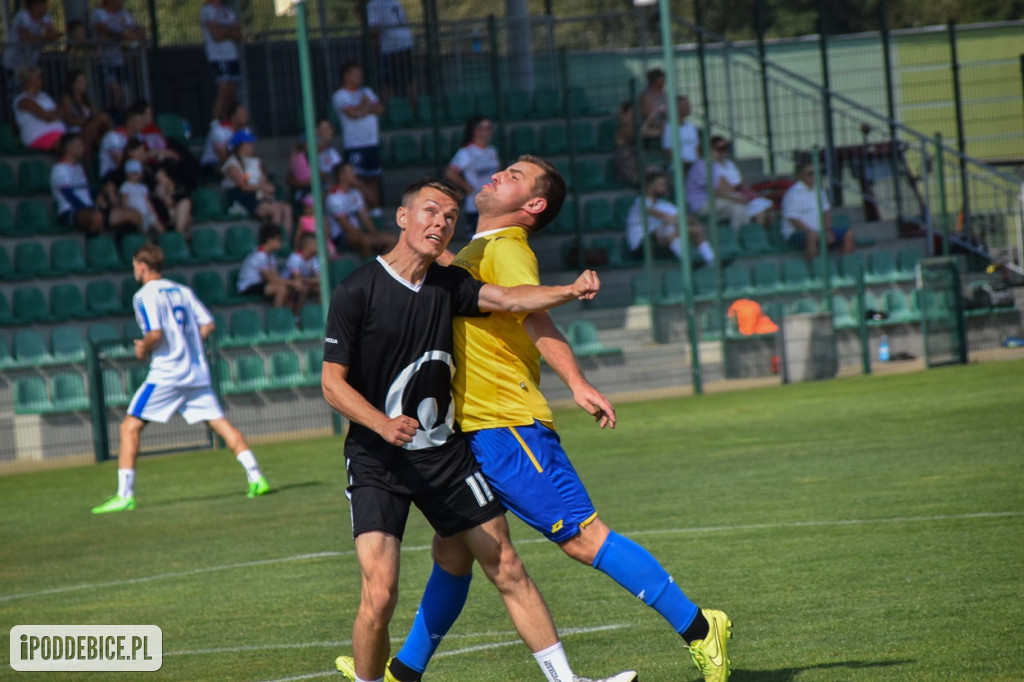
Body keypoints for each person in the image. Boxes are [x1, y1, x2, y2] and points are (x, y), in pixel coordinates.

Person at [386, 156, 731, 682]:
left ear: (533, 206)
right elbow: (512, 304)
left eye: (515, 175)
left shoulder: (508, 248)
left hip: (507, 427)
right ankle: (401, 673)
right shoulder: (481, 249)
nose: (499, 173)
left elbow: (531, 307)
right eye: (503, 167)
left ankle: (701, 628)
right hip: (468, 433)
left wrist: (576, 377)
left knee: (582, 538)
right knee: (452, 550)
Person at [323, 177, 634, 682]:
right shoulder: (357, 289)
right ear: (403, 218)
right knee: (380, 594)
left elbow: (512, 299)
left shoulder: (450, 287)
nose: (440, 223)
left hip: (443, 456)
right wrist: (381, 424)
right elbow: (331, 384)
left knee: (506, 564)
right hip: (378, 461)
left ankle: (566, 681)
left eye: (449, 217)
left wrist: (569, 290)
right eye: (429, 211)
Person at [92, 243, 270, 514]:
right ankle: (256, 476)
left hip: (168, 372)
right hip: (195, 372)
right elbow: (208, 323)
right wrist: (189, 344)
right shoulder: (183, 291)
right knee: (220, 424)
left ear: (141, 265)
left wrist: (141, 348)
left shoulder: (143, 295)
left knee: (129, 427)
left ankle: (124, 495)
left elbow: (155, 334)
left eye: (134, 267)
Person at [51, 131, 140, 236]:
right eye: (79, 145)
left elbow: (86, 190)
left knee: (134, 215)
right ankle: (95, 246)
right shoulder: (59, 169)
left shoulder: (79, 167)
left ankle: (118, 243)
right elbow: (69, 195)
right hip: (71, 211)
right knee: (96, 218)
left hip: (91, 208)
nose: (82, 148)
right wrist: (90, 208)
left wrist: (98, 196)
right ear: (70, 148)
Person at [626, 171, 715, 266]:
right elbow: (663, 217)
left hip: (662, 246)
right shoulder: (640, 203)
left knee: (695, 230)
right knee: (669, 226)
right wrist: (681, 223)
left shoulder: (664, 204)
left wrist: (693, 226)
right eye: (661, 184)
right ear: (651, 187)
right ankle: (688, 264)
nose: (665, 187)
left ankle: (712, 261)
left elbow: (686, 218)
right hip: (642, 249)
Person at [686, 135, 771, 232]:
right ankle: (737, 238)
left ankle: (743, 238)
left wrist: (737, 196)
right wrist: (735, 198)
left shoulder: (712, 165)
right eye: (716, 149)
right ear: (708, 150)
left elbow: (723, 186)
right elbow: (715, 191)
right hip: (701, 204)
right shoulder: (701, 165)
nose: (720, 152)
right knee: (739, 206)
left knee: (739, 208)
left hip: (714, 201)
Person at [331, 62, 385, 212]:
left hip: (372, 144)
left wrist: (362, 108)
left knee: (374, 178)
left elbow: (380, 109)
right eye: (355, 73)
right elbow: (352, 113)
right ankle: (363, 213)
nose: (359, 76)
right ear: (346, 76)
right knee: (358, 180)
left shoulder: (366, 91)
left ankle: (376, 213)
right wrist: (367, 107)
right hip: (355, 145)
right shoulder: (340, 95)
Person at [221, 129, 294, 238]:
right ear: (241, 145)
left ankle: (284, 242)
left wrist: (267, 187)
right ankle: (273, 241)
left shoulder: (256, 161)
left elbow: (263, 180)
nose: (252, 146)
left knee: (287, 209)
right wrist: (262, 187)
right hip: (243, 198)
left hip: (260, 196)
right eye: (249, 143)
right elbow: (243, 186)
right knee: (275, 211)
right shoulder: (232, 163)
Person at [781, 160, 855, 262]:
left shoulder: (819, 190)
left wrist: (827, 231)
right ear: (800, 175)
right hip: (797, 234)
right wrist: (816, 234)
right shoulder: (793, 194)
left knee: (849, 233)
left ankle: (845, 269)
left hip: (821, 231)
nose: (814, 176)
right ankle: (816, 271)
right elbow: (794, 221)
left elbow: (826, 212)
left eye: (816, 173)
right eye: (810, 174)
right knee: (812, 237)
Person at [325, 161, 396, 259]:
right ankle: (367, 269)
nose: (354, 174)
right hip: (341, 236)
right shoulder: (334, 196)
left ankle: (382, 268)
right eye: (350, 172)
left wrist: (375, 234)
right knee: (366, 240)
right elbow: (344, 224)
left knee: (392, 240)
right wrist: (367, 237)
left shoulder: (355, 192)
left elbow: (365, 217)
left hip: (359, 231)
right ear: (341, 176)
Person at [445, 116, 500, 237]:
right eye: (486, 128)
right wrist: (469, 188)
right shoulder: (466, 152)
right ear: (476, 131)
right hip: (476, 207)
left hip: (494, 205)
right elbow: (450, 172)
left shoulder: (492, 151)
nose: (490, 131)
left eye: (490, 128)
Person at [92, 0, 145, 114]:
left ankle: (123, 118)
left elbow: (139, 31)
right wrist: (123, 35)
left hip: (120, 61)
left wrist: (130, 36)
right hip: (104, 61)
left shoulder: (124, 13)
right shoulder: (99, 13)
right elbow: (104, 32)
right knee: (116, 92)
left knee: (125, 95)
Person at [236, 223, 304, 312]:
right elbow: (271, 279)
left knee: (288, 288)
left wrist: (291, 284)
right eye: (278, 240)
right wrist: (293, 282)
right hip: (248, 286)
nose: (281, 243)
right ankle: (276, 319)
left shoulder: (270, 255)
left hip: (260, 284)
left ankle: (288, 316)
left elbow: (276, 277)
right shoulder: (260, 255)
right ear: (269, 240)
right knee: (281, 289)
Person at [199, 0, 243, 122]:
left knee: (231, 93)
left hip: (232, 56)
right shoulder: (207, 10)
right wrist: (229, 31)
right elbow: (216, 35)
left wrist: (224, 31)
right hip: (218, 57)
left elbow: (239, 34)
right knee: (223, 92)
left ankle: (227, 123)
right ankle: (216, 124)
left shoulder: (227, 11)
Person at [3, 0, 59, 94]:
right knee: (15, 91)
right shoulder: (23, 16)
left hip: (31, 63)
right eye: (42, 4)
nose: (45, 7)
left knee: (32, 90)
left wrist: (47, 37)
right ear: (33, 5)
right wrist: (44, 38)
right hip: (14, 64)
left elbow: (52, 34)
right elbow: (25, 38)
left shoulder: (45, 17)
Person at [365, 0, 416, 103]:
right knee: (409, 80)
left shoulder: (374, 4)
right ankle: (414, 110)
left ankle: (389, 110)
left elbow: (374, 29)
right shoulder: (393, 1)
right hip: (406, 42)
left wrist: (374, 46)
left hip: (391, 46)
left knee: (386, 82)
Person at [58, 68, 112, 156]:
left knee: (103, 119)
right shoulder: (67, 99)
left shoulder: (87, 100)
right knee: (103, 118)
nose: (84, 84)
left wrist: (91, 122)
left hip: (91, 130)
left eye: (84, 81)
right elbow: (70, 121)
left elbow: (95, 115)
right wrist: (86, 122)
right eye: (80, 81)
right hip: (76, 132)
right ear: (72, 84)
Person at [11, 65, 66, 152]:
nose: (41, 80)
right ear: (29, 81)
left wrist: (52, 113)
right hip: (38, 136)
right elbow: (46, 117)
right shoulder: (23, 100)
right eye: (38, 78)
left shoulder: (44, 96)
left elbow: (61, 111)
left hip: (60, 134)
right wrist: (53, 114)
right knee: (74, 144)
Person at [613, 100, 661, 187]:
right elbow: (639, 133)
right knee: (654, 177)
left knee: (658, 173)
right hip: (628, 170)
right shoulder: (622, 130)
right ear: (623, 115)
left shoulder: (637, 128)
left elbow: (658, 132)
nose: (634, 116)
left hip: (639, 167)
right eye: (631, 113)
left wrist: (661, 118)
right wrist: (651, 116)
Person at [98, 103, 145, 183]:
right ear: (130, 121)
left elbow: (143, 156)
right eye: (139, 121)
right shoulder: (113, 136)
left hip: (131, 169)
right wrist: (135, 156)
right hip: (111, 173)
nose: (142, 124)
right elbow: (120, 163)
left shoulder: (138, 135)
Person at [200, 101, 249, 176]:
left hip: (233, 162)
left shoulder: (245, 130)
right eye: (242, 114)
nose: (246, 116)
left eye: (246, 113)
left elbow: (249, 151)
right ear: (233, 116)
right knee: (234, 167)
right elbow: (223, 156)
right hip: (212, 163)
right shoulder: (219, 129)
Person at [120, 158, 163, 236]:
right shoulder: (125, 186)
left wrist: (153, 213)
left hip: (146, 213)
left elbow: (148, 202)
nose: (134, 176)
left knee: (158, 225)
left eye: (136, 173)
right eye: (131, 173)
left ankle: (165, 238)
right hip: (135, 214)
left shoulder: (143, 187)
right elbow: (124, 202)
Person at [662, 94, 699, 172]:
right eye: (685, 105)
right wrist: (685, 163)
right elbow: (670, 153)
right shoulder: (669, 128)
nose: (689, 107)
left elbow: (697, 150)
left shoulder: (691, 127)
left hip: (695, 167)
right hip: (677, 169)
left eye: (689, 105)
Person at [285, 231, 321, 305]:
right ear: (307, 245)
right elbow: (297, 279)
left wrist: (307, 280)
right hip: (288, 282)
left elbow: (320, 279)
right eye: (316, 244)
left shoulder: (314, 258)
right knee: (302, 288)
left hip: (304, 282)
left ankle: (321, 313)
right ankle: (297, 315)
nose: (319, 246)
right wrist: (312, 280)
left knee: (322, 289)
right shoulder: (295, 257)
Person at [638, 67, 668, 148]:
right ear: (654, 81)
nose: (664, 82)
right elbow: (649, 117)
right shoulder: (646, 96)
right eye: (661, 80)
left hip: (665, 126)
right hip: (651, 128)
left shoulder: (665, 95)